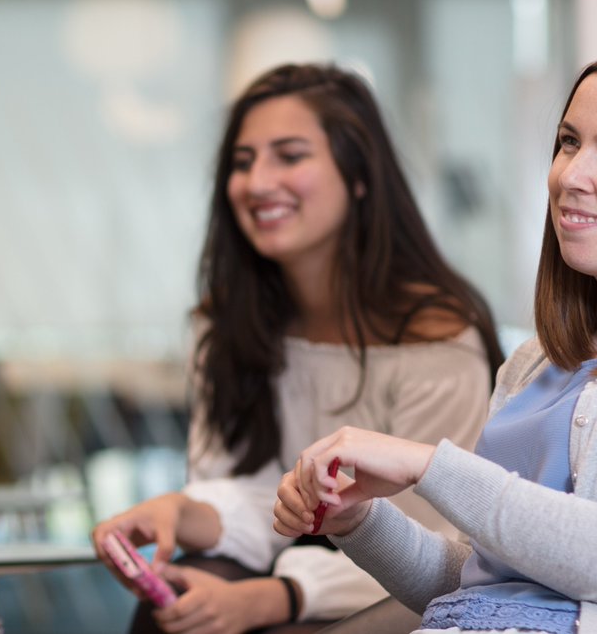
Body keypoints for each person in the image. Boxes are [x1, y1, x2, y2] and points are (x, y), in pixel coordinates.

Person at [275, 41, 597, 634]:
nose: (571, 175)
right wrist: (358, 523)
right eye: (569, 142)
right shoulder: (532, 363)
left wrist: (426, 466)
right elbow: (475, 585)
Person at [93, 63, 504, 634]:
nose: (258, 182)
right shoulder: (227, 322)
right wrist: (182, 513)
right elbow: (256, 494)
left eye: (289, 156)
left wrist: (279, 597)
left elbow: (434, 550)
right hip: (283, 560)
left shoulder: (435, 336)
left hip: (404, 592)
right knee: (169, 610)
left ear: (359, 176)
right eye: (242, 162)